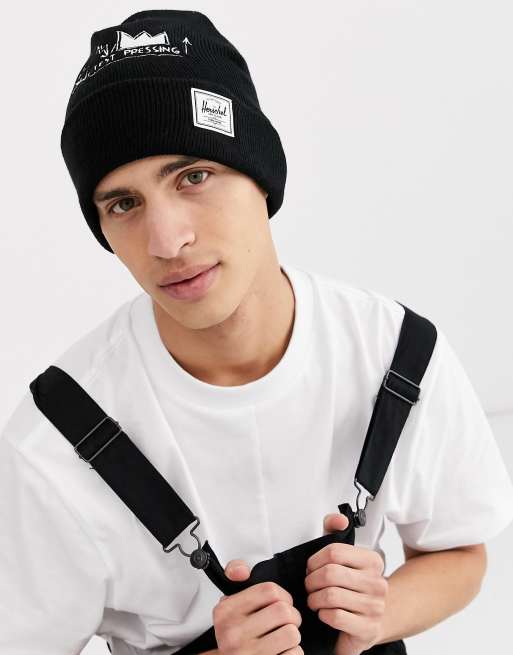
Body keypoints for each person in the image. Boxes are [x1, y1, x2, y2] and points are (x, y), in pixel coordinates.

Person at [2, 9, 513, 655]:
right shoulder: (51, 445)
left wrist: (376, 616)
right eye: (124, 204)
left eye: (194, 176)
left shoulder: (394, 354)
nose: (167, 240)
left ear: (261, 175)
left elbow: (460, 552)